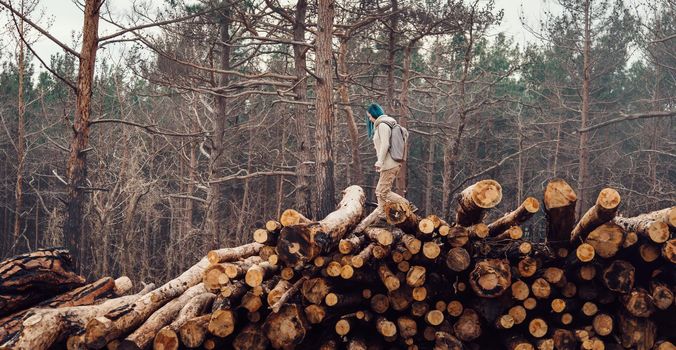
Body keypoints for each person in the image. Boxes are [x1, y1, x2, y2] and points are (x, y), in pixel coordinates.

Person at [357, 103, 412, 231]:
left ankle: (406, 205)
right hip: (390, 164)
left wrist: (380, 161)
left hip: (389, 164)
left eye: (370, 116)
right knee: (380, 192)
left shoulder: (382, 124)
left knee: (382, 192)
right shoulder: (387, 123)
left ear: (374, 114)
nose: (369, 119)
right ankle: (382, 218)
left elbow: (385, 144)